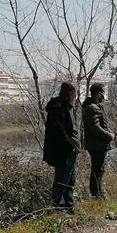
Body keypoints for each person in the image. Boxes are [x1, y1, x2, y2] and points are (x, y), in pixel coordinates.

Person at [43, 82, 80, 213]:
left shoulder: (66, 107)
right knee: (62, 179)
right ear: (69, 94)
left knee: (70, 179)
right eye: (74, 94)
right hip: (62, 151)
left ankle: (69, 207)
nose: (75, 97)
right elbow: (59, 131)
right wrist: (71, 144)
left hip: (70, 150)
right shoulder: (58, 108)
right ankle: (58, 208)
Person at [81, 82, 114, 199]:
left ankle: (98, 193)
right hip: (97, 145)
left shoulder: (95, 106)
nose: (104, 94)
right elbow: (95, 128)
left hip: (98, 144)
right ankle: (96, 194)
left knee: (99, 169)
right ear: (99, 92)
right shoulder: (92, 108)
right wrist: (109, 135)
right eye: (103, 91)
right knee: (97, 170)